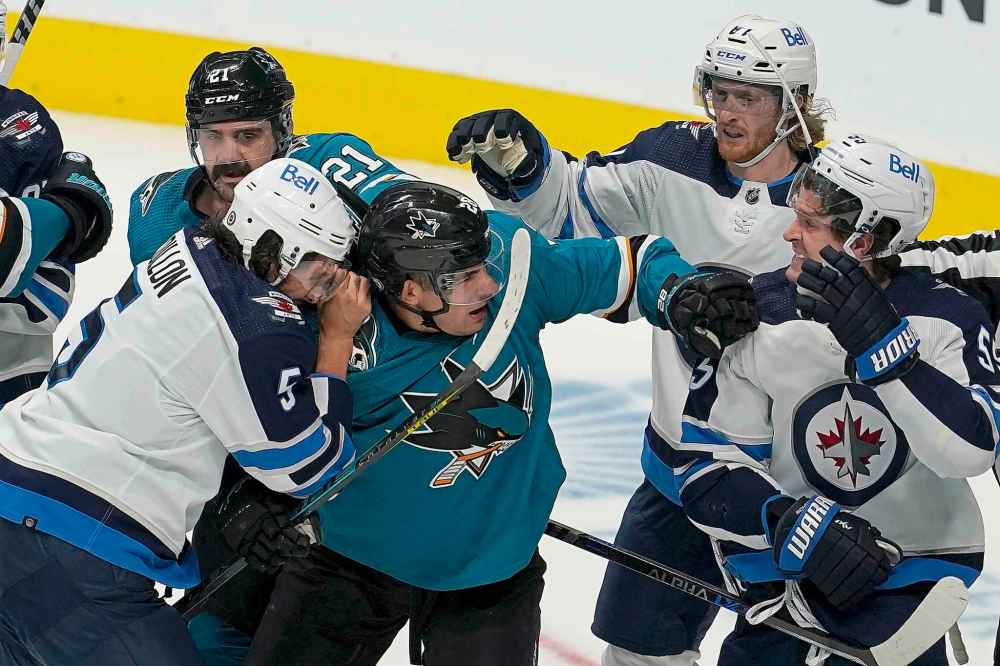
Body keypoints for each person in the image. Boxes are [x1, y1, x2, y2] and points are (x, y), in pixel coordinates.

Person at [217, 180, 756, 666]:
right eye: (464, 276)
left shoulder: (511, 257)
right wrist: (251, 499)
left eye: (482, 264)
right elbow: (271, 431)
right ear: (409, 291)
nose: (490, 285)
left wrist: (678, 290)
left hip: (493, 568)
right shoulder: (327, 329)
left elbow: (628, 265)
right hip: (348, 562)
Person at [447, 14, 828, 665]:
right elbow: (566, 210)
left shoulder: (832, 200)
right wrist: (523, 165)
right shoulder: (675, 158)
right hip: (680, 476)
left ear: (793, 108)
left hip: (791, 495)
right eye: (721, 92)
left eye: (750, 98)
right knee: (635, 656)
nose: (728, 113)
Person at [0, 157, 364, 664]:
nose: (328, 289)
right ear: (274, 250)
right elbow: (305, 466)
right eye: (319, 268)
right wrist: (336, 338)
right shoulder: (259, 321)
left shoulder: (190, 246)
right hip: (79, 542)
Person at [677, 136, 995, 665]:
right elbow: (706, 463)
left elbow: (969, 451)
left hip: (909, 598)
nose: (789, 234)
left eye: (810, 223)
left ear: (864, 243)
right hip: (785, 596)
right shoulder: (754, 311)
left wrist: (884, 348)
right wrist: (782, 519)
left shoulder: (947, 317)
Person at [0, 4, 113, 404]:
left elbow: (45, 295)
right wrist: (68, 211)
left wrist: (67, 213)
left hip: (11, 385)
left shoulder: (20, 128)